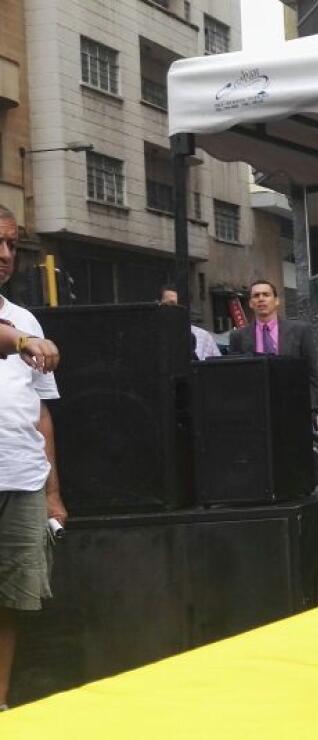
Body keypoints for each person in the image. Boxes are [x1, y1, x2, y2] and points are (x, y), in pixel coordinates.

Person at [0, 205, 66, 710]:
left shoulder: (24, 315)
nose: (5, 256)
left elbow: (42, 411)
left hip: (21, 477)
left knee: (12, 599)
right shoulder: (21, 331)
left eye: (12, 245)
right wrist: (24, 341)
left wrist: (53, 493)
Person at [228, 279, 318, 400]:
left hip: (293, 405)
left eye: (266, 294)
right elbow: (234, 378)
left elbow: (313, 375)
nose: (261, 299)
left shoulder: (301, 331)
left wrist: (309, 409)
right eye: (256, 296)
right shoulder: (237, 336)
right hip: (255, 407)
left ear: (276, 301)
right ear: (250, 303)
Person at [159, 285, 221, 361]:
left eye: (179, 304)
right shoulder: (152, 337)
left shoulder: (204, 337)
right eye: (169, 305)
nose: (176, 309)